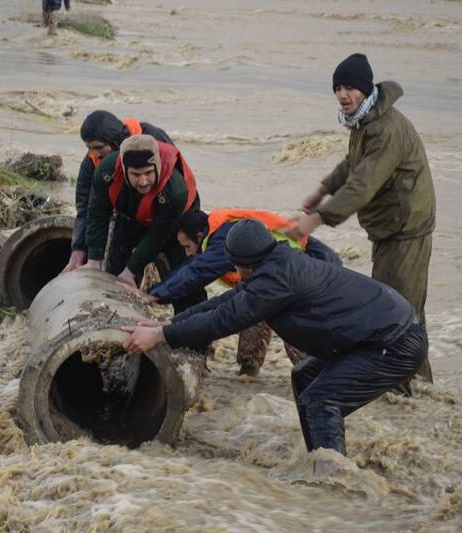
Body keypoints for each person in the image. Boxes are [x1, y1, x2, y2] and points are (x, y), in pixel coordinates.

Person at [122, 220, 428, 456]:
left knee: (321, 400)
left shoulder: (276, 280)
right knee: (304, 375)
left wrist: (161, 335)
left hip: (394, 342)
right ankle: (321, 456)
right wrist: (167, 323)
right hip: (380, 333)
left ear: (241, 262)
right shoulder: (275, 264)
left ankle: (333, 483)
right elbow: (224, 303)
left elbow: (225, 320)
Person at [287, 53, 436, 383]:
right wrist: (322, 189)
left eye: (350, 87)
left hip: (406, 229)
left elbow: (363, 184)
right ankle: (417, 388)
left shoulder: (385, 129)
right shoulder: (366, 121)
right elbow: (351, 165)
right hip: (391, 229)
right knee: (405, 311)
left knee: (397, 315)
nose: (342, 95)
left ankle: (405, 389)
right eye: (337, 88)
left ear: (366, 88)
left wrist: (317, 219)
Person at [143, 208, 342, 376]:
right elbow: (228, 297)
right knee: (252, 321)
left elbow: (197, 272)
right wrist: (171, 322)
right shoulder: (220, 235)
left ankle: (324, 377)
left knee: (295, 335)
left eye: (187, 246)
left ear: (198, 236)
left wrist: (156, 294)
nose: (188, 253)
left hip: (313, 270)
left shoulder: (226, 238)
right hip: (290, 274)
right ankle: (248, 374)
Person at [81, 134, 204, 313]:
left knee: (185, 282)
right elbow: (97, 213)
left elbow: (158, 235)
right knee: (116, 275)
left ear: (157, 167)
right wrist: (93, 257)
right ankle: (118, 318)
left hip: (177, 221)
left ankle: (192, 333)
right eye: (136, 175)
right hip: (132, 216)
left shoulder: (175, 189)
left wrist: (132, 269)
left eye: (148, 173)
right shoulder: (107, 172)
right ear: (124, 171)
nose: (143, 181)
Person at [63, 111, 173, 273]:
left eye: (99, 147)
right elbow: (85, 207)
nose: (95, 154)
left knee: (177, 268)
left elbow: (173, 180)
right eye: (90, 148)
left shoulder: (152, 138)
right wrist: (78, 250)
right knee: (116, 269)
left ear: (115, 139)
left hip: (166, 211)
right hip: (128, 215)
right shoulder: (92, 162)